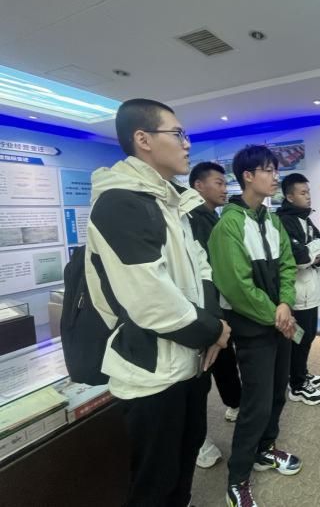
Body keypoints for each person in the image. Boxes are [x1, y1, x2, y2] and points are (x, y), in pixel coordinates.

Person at [85, 99, 231, 506]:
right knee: (155, 482)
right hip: (151, 373)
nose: (187, 144)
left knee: (184, 462)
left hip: (189, 361)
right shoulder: (121, 202)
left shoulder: (172, 201)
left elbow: (202, 268)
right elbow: (150, 300)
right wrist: (214, 330)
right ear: (143, 139)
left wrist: (212, 325)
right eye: (178, 133)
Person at [209, 145, 300, 507]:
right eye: (268, 170)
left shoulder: (271, 220)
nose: (275, 177)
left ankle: (265, 449)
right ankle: (237, 478)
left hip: (279, 324)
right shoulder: (229, 225)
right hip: (253, 330)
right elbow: (236, 287)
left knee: (278, 393)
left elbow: (288, 265)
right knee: (256, 405)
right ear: (248, 176)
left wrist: (285, 304)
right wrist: (277, 314)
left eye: (275, 170)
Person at [188, 162, 243, 469]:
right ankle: (198, 441)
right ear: (199, 185)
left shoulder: (212, 217)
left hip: (219, 306)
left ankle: (235, 404)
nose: (225, 188)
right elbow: (201, 272)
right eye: (219, 183)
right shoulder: (190, 220)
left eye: (225, 183)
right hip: (201, 310)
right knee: (200, 375)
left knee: (225, 360)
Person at [276, 173, 320, 406]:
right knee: (299, 339)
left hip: (311, 290)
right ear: (289, 197)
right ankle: (296, 385)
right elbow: (300, 258)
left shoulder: (305, 218)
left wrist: (314, 252)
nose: (308, 197)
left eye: (308, 192)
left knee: (308, 337)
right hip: (296, 294)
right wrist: (314, 252)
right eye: (303, 193)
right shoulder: (284, 221)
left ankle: (300, 373)